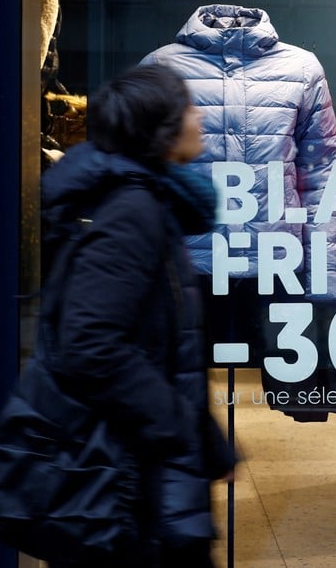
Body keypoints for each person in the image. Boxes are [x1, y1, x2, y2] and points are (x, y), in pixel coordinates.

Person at [39, 63, 235, 567]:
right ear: (160, 129)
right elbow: (91, 343)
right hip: (133, 485)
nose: (200, 119)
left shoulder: (148, 202)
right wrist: (185, 428)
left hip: (149, 474)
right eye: (188, 108)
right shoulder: (133, 212)